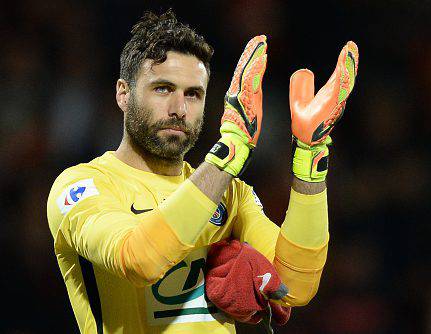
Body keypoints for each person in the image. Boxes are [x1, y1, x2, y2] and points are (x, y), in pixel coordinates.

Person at [46, 9, 358, 333]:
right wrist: (230, 150)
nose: (179, 109)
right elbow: (138, 260)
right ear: (123, 93)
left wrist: (310, 160)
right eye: (163, 89)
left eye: (193, 94)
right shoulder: (83, 185)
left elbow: (294, 285)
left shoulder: (230, 193)